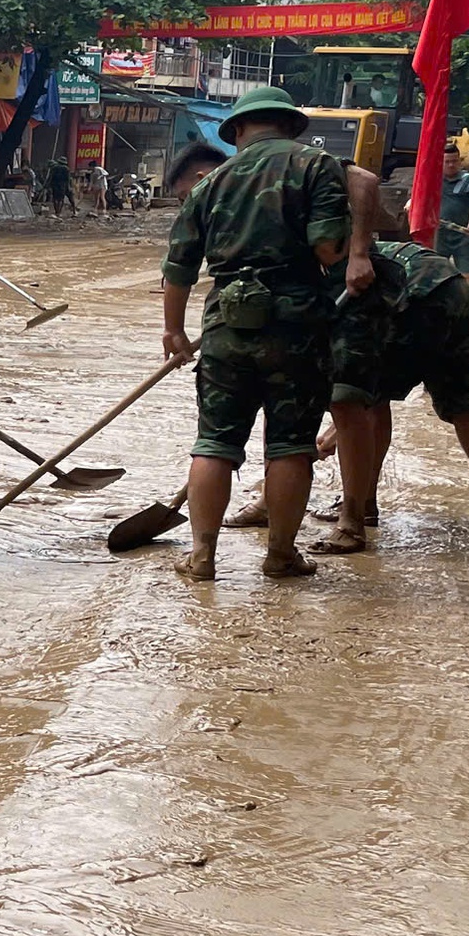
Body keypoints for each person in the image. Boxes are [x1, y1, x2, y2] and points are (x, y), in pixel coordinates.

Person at [160, 85, 374, 584]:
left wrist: (173, 329)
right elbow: (326, 250)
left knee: (213, 442)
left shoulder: (208, 184)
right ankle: (280, 556)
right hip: (298, 326)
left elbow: (179, 269)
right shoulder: (316, 165)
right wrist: (354, 249)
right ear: (290, 126)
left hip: (225, 327)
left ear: (236, 131)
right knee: (290, 445)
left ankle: (202, 556)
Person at [321, 221, 469, 554]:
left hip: (420, 296)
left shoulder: (340, 274)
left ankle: (364, 505)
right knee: (459, 404)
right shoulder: (361, 252)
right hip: (454, 287)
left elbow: (360, 398)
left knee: (373, 399)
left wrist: (331, 435)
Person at [436, 151, 469, 290]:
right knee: (436, 276)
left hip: (463, 235)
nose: (451, 165)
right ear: (441, 162)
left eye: (455, 161)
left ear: (460, 161)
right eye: (447, 161)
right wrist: (411, 203)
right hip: (438, 235)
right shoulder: (433, 178)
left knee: (468, 276)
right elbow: (419, 194)